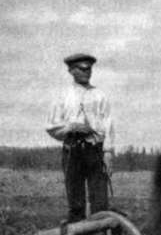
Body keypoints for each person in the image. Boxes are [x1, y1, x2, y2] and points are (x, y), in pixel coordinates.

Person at [45, 53, 115, 223]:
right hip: (72, 150)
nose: (87, 72)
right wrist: (71, 127)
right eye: (82, 69)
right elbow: (51, 126)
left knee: (100, 200)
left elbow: (108, 124)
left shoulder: (100, 95)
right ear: (71, 71)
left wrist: (108, 152)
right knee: (76, 201)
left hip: (95, 151)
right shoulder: (63, 96)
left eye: (89, 69)